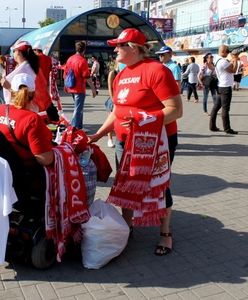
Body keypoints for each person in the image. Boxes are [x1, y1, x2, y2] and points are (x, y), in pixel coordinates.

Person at [88, 28, 183, 256]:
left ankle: (165, 233)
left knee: (159, 184)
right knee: (126, 184)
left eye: (119, 46)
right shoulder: (121, 74)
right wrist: (98, 135)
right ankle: (126, 227)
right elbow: (117, 111)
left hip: (156, 142)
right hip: (124, 141)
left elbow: (175, 109)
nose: (115, 49)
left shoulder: (156, 71)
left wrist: (144, 122)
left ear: (134, 48)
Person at [0, 73, 54, 209]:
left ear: (11, 91)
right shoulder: (32, 119)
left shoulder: (1, 109)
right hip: (24, 178)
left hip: (5, 177)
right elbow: (44, 159)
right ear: (33, 95)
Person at [63, 41, 96, 130]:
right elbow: (87, 76)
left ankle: (79, 127)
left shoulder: (70, 59)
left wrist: (65, 86)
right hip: (79, 88)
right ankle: (74, 128)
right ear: (84, 50)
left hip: (71, 86)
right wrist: (93, 89)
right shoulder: (82, 61)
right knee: (78, 109)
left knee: (78, 108)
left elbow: (65, 73)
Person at [209, 45, 239, 134]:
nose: (229, 53)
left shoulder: (217, 59)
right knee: (225, 109)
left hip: (220, 86)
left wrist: (232, 60)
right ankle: (227, 128)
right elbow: (233, 70)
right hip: (226, 88)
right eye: (228, 51)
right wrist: (235, 59)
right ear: (224, 51)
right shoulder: (223, 61)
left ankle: (212, 126)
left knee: (216, 107)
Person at [105, 60, 126, 148]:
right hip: (113, 99)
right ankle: (109, 139)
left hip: (123, 99)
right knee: (111, 120)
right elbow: (110, 88)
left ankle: (121, 137)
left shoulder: (125, 72)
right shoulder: (112, 73)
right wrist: (114, 100)